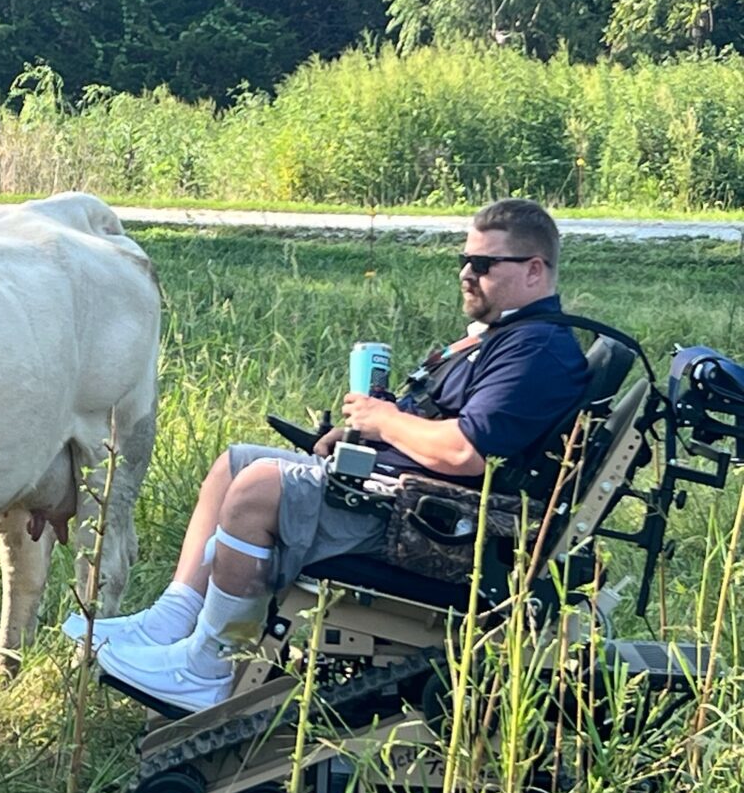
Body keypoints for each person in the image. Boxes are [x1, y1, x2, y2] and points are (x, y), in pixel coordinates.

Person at [67, 198, 589, 714]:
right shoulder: (506, 338)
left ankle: (209, 667)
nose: (466, 274)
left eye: (482, 264)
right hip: (413, 500)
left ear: (534, 270)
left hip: (439, 529)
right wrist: (360, 433)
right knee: (236, 465)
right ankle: (175, 619)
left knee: (259, 490)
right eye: (462, 261)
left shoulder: (536, 350)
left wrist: (383, 422)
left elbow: (465, 451)